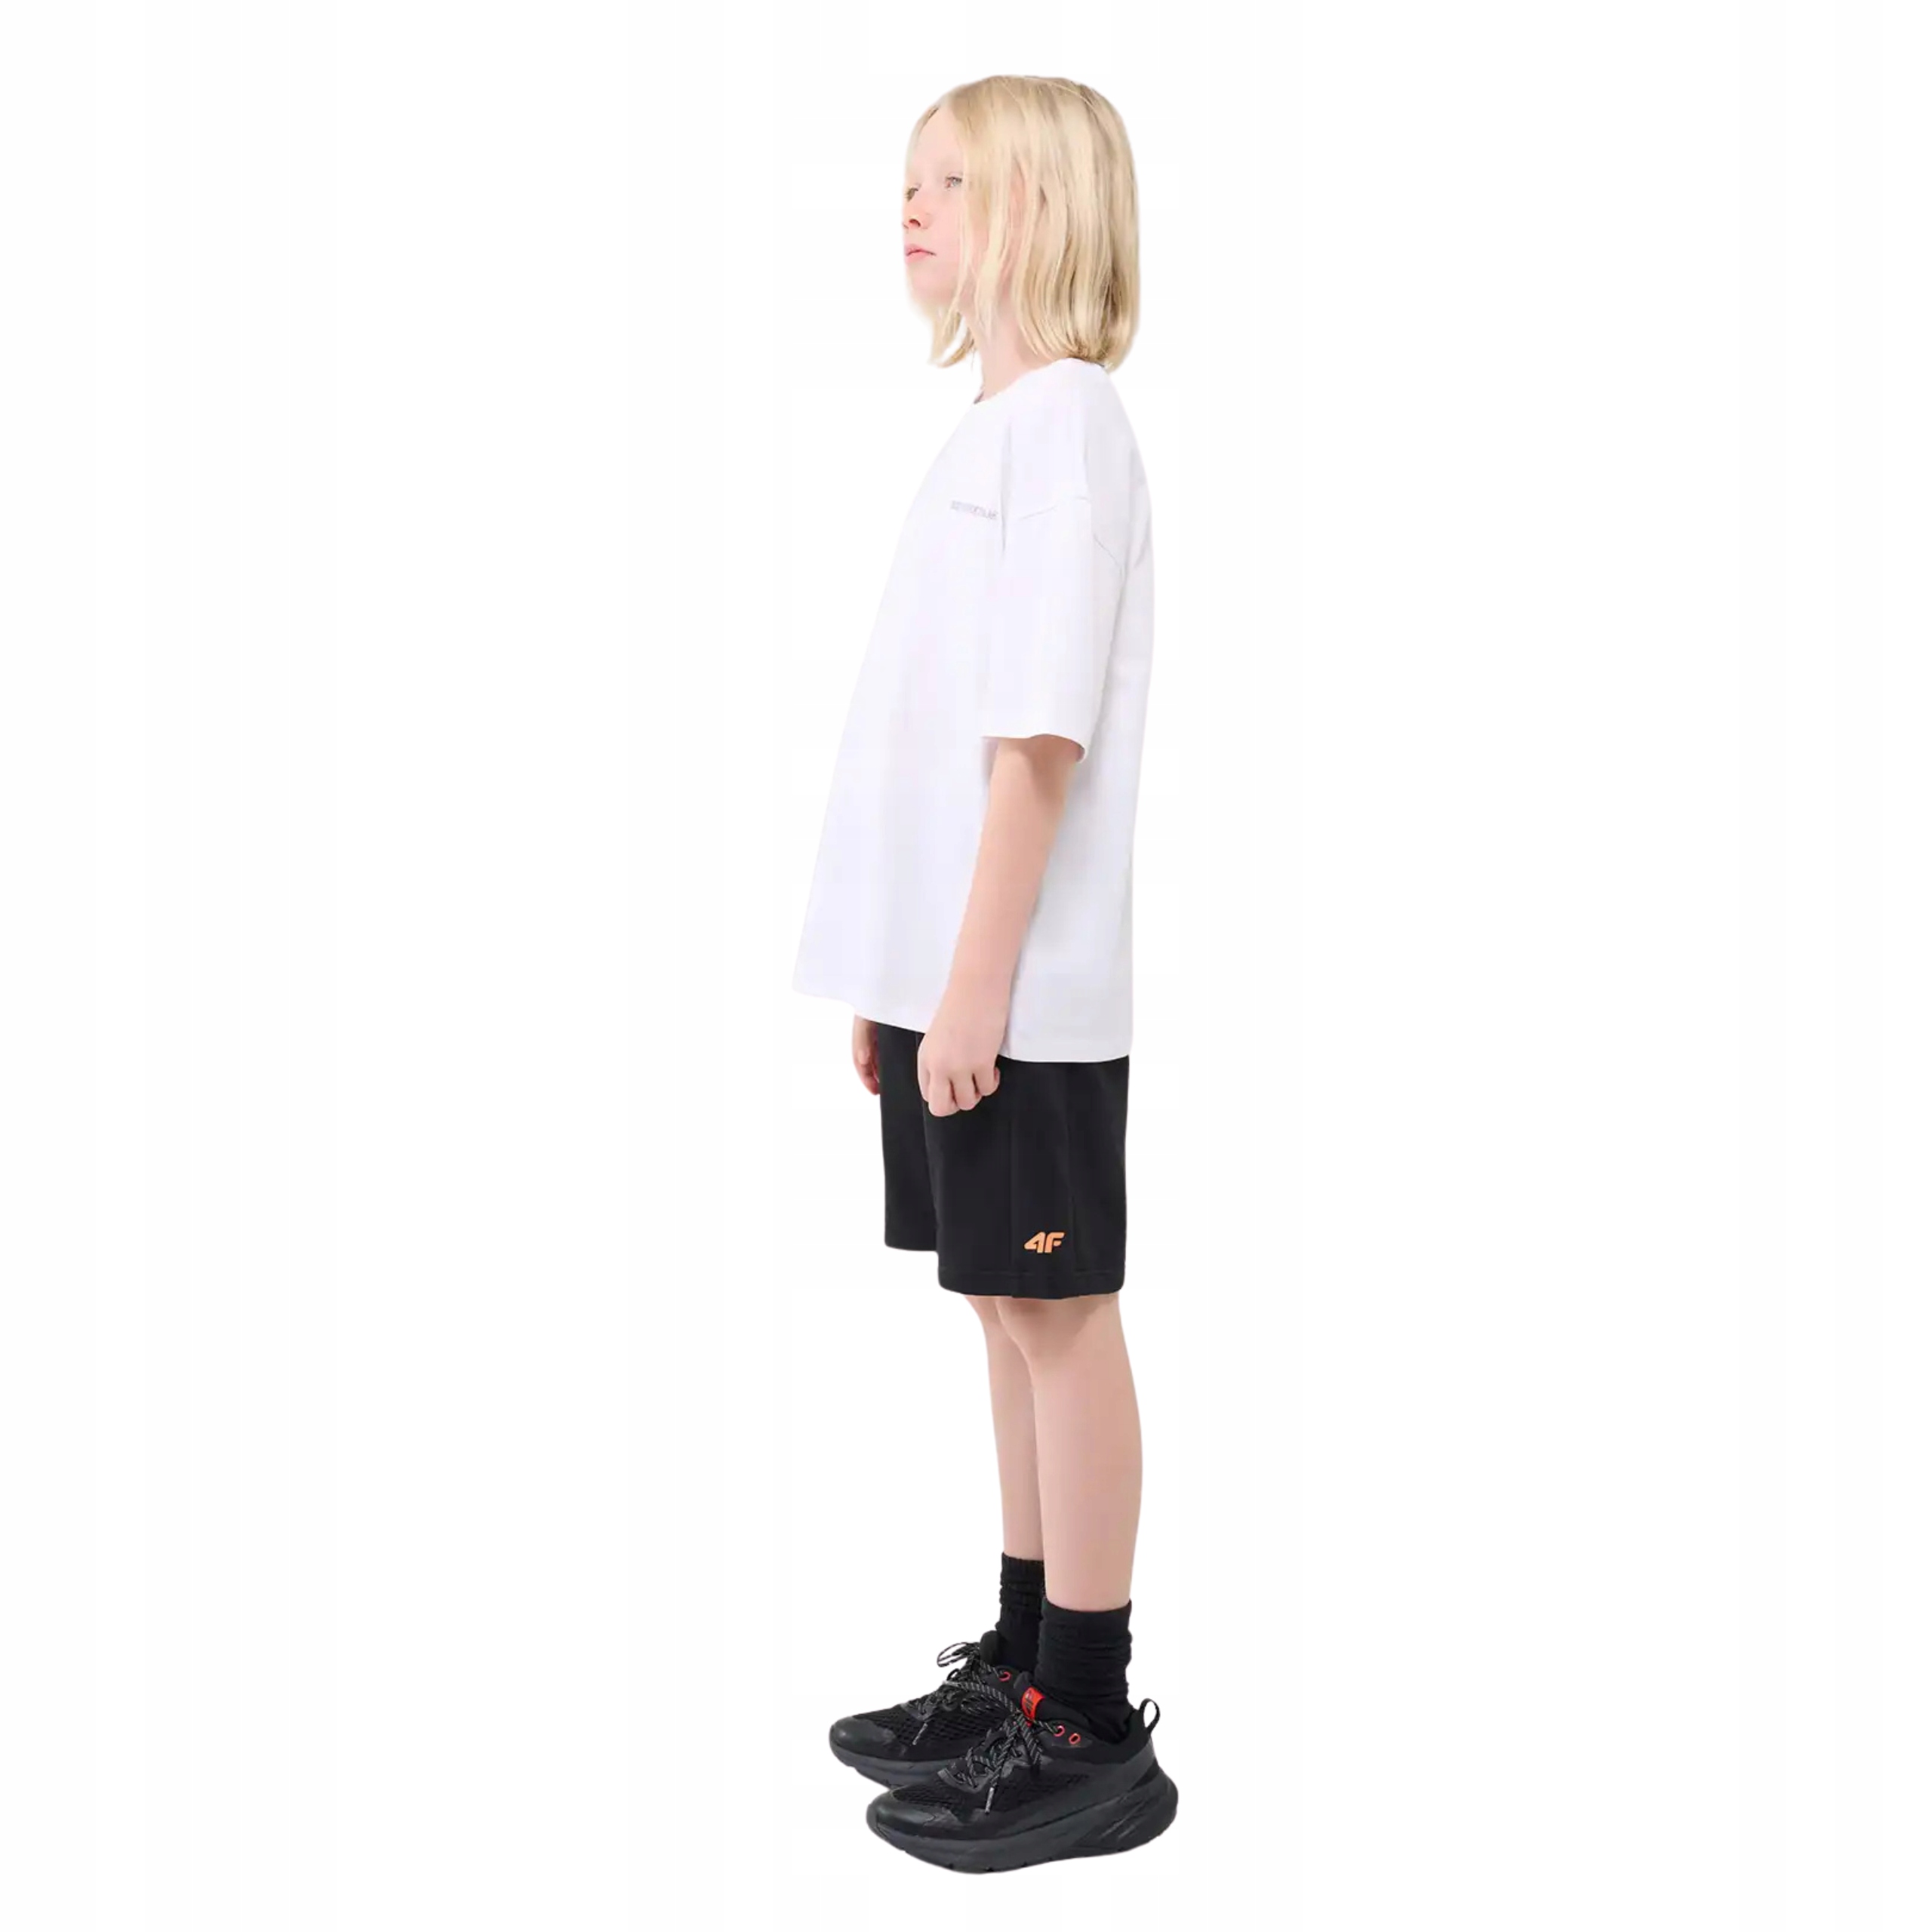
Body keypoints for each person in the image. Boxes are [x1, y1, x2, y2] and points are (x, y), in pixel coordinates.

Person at [789, 74, 1172, 1873]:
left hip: (1022, 988)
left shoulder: (1068, 427)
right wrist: (901, 977)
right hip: (960, 980)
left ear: (1042, 208)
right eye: (908, 179)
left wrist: (973, 987)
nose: (912, 205)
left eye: (952, 179)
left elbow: (1035, 743)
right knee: (1001, 1312)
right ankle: (1020, 1663)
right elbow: (926, 744)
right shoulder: (992, 431)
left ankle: (1086, 1721)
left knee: (1058, 1312)